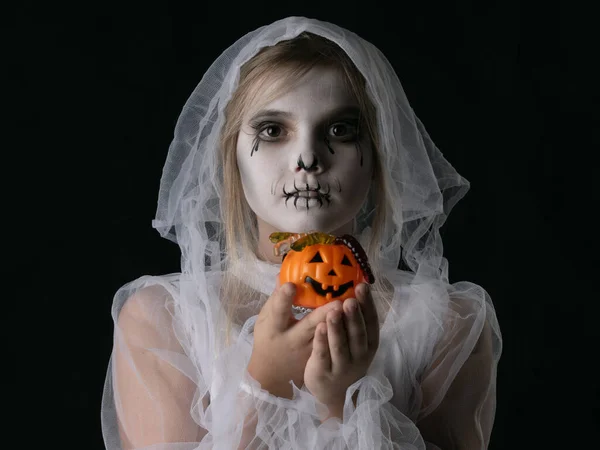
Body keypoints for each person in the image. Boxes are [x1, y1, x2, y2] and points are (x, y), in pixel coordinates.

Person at [101, 16, 502, 450]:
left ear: (380, 153)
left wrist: (342, 405)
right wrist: (264, 384)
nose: (308, 157)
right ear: (230, 154)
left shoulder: (446, 325)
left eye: (340, 129)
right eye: (273, 131)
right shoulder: (166, 322)